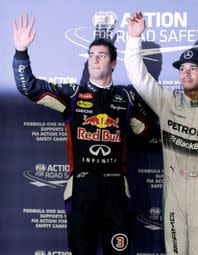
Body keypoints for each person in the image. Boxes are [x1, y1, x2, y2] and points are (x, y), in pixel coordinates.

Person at [12, 14, 149, 254]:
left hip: (116, 188)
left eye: (102, 55)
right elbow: (29, 88)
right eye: (91, 55)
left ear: (114, 63)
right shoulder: (73, 96)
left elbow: (147, 131)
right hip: (81, 189)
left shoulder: (126, 98)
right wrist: (21, 51)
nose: (95, 60)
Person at [124, 12, 198, 255]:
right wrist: (134, 39)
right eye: (182, 69)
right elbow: (138, 77)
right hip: (174, 189)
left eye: (193, 69)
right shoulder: (167, 101)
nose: (186, 74)